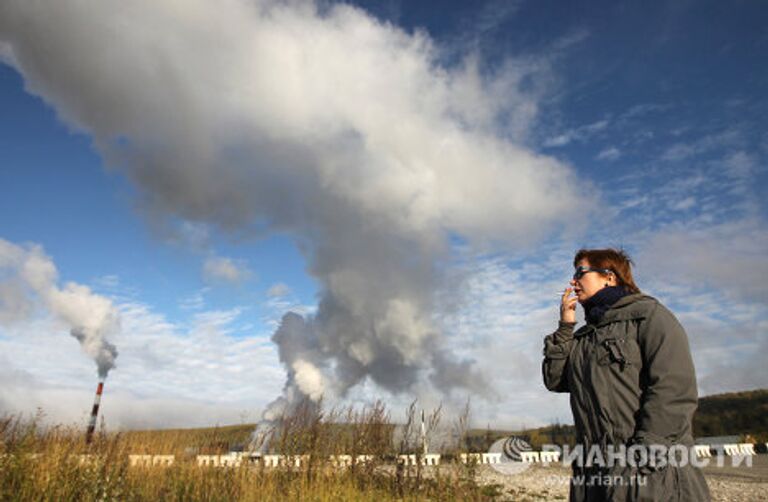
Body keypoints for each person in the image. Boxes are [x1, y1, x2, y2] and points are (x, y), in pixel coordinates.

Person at [543, 248, 710, 501]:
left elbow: (674, 391)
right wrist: (566, 326)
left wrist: (643, 458)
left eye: (580, 272)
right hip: (593, 475)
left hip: (649, 472)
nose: (573, 281)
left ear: (609, 276)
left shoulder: (649, 316)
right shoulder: (583, 338)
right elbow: (555, 380)